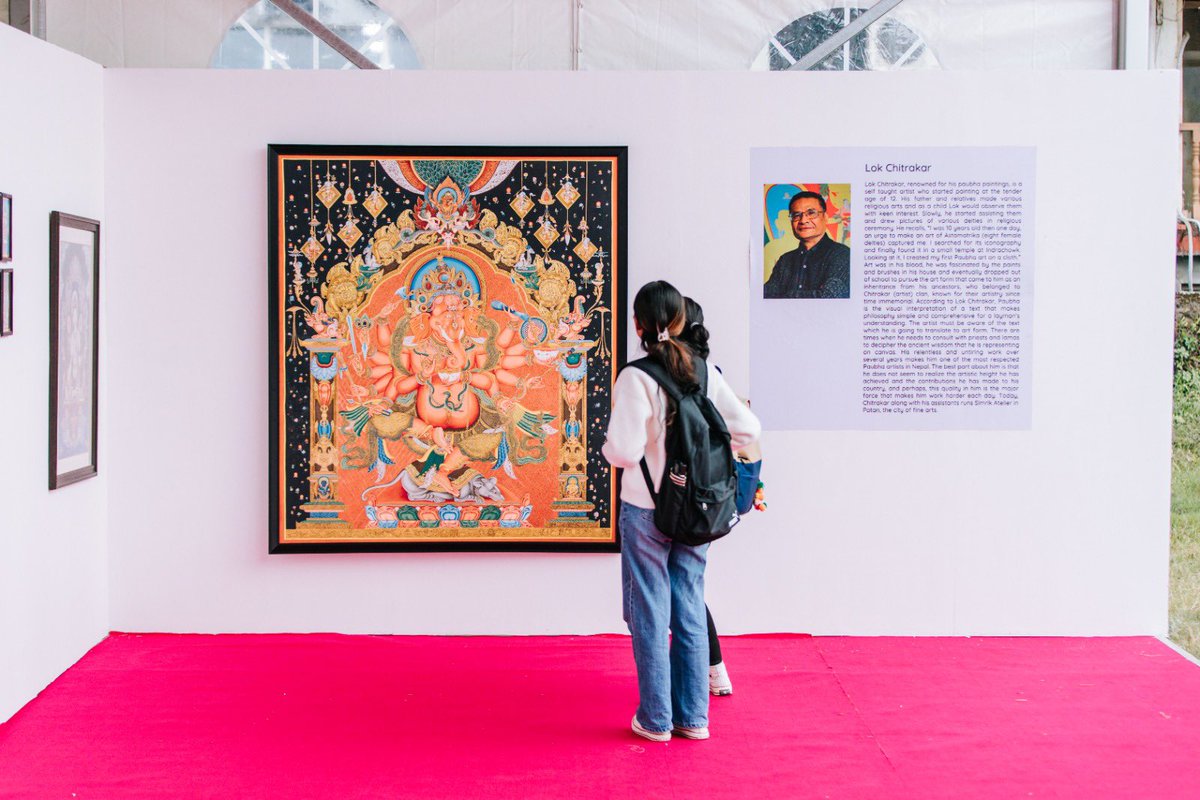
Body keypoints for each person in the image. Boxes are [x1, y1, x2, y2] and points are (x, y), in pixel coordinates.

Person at [602, 281, 761, 743]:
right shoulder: (706, 371)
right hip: (696, 509)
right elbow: (747, 429)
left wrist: (612, 448)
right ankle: (694, 718)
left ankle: (655, 721)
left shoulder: (636, 377)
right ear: (679, 321)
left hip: (645, 510)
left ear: (637, 324)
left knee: (651, 611)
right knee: (689, 604)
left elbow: (625, 452)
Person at [679, 297, 764, 698]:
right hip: (702, 496)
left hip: (689, 497)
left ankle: (709, 674)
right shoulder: (709, 373)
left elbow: (746, 430)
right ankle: (712, 672)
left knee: (685, 588)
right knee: (687, 586)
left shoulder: (698, 375)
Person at [763, 191, 850, 299]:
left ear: (825, 217)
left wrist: (782, 295)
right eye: (796, 215)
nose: (803, 220)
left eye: (811, 213)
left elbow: (828, 297)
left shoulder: (842, 254)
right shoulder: (785, 260)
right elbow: (765, 296)